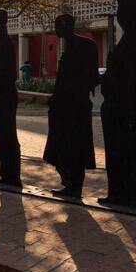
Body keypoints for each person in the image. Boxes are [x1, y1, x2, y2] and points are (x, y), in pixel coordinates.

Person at [99, 0, 136, 210]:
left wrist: (129, 102)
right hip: (117, 106)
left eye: (121, 11)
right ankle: (119, 193)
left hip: (125, 107)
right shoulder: (132, 33)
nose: (119, 17)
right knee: (117, 152)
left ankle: (129, 195)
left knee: (126, 152)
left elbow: (134, 75)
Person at [43, 15, 100, 199]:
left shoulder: (85, 45)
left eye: (58, 26)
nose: (56, 30)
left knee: (74, 147)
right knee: (62, 147)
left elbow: (88, 77)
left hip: (75, 107)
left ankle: (74, 186)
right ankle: (69, 183)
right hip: (64, 107)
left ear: (67, 26)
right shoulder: (69, 46)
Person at [0, 10, 22, 188]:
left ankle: (13, 175)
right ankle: (6, 173)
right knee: (3, 137)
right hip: (0, 96)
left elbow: (7, 73)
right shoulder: (1, 43)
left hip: (5, 96)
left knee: (8, 136)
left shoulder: (6, 44)